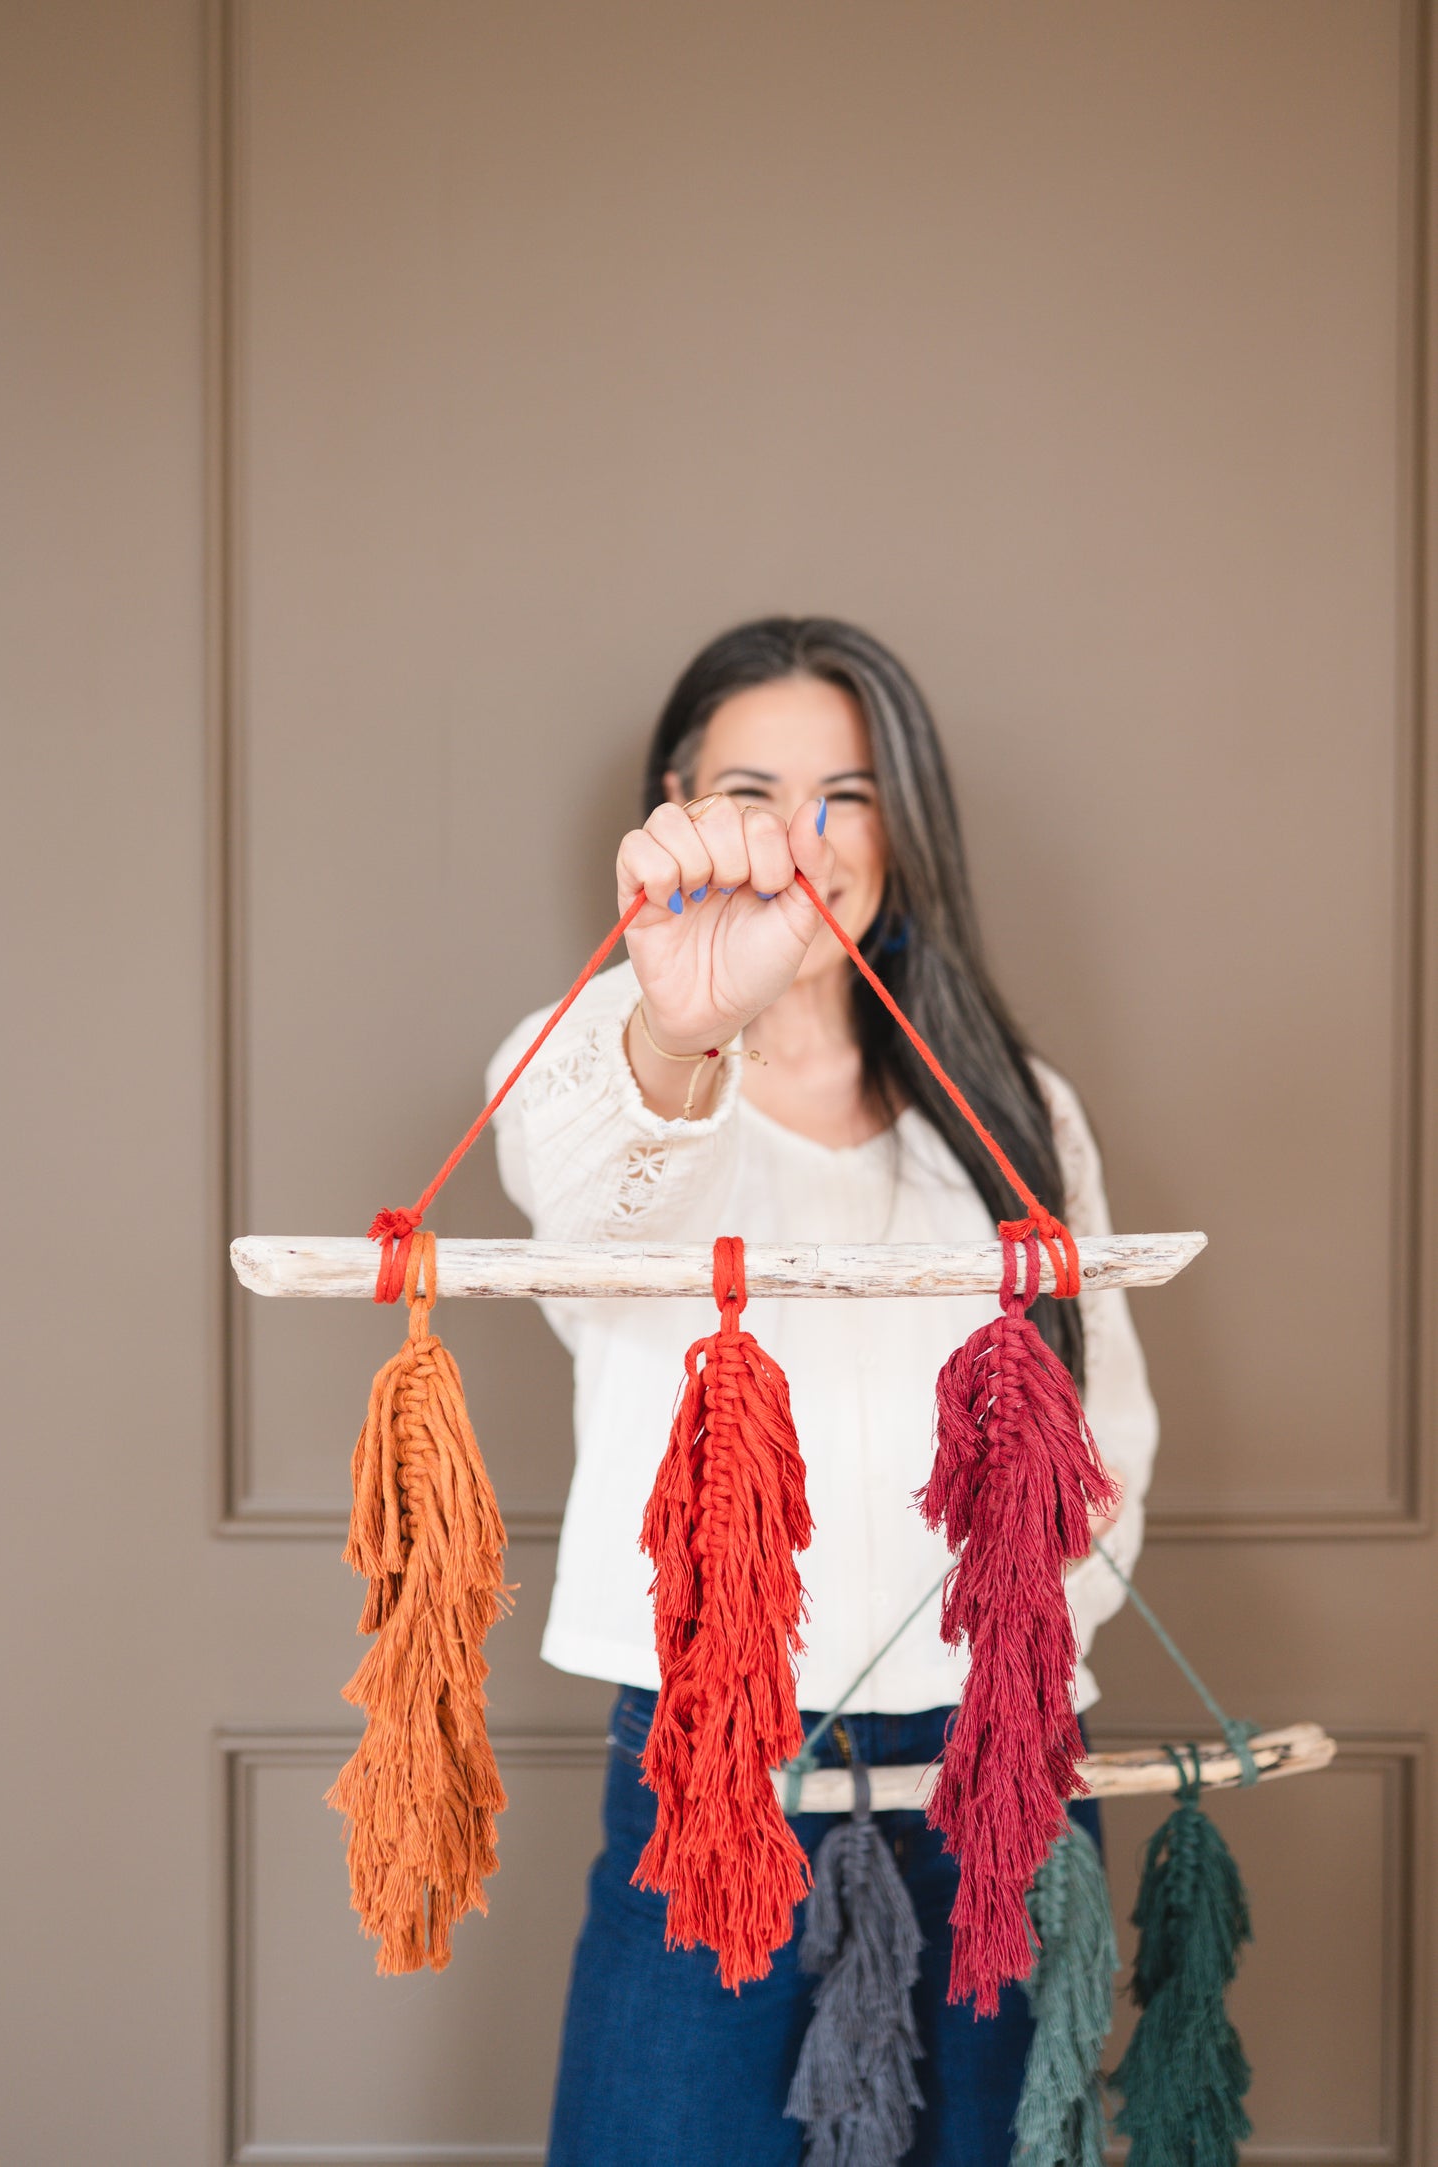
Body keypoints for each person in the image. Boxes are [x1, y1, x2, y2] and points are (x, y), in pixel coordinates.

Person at [486, 616, 1159, 2167]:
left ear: (901, 824)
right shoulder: (589, 1061)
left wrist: (1020, 1666)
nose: (802, 836)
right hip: (716, 1764)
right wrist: (677, 1020)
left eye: (846, 793)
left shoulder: (1012, 1103)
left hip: (999, 1765)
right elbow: (590, 1213)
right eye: (749, 787)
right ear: (670, 804)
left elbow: (1103, 1422)